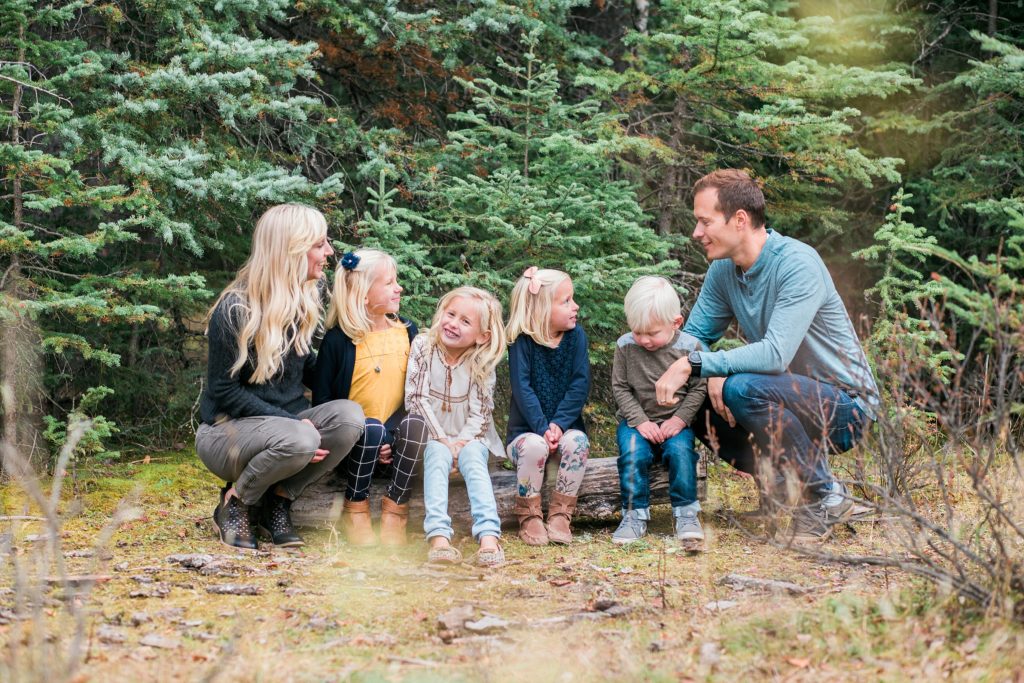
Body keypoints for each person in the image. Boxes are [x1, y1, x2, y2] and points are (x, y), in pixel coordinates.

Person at [656, 169, 880, 543]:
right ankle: (780, 489)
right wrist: (708, 372)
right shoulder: (723, 272)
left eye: (705, 221)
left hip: (846, 408)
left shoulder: (797, 263)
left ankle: (822, 495)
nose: (697, 233)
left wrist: (700, 365)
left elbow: (776, 353)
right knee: (694, 397)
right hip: (783, 397)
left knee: (740, 388)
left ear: (739, 219)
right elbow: (691, 341)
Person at [196, 204, 365, 550]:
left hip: (284, 426)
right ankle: (236, 503)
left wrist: (356, 349)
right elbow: (223, 391)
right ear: (292, 250)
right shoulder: (235, 309)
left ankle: (278, 500)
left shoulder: (301, 301)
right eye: (320, 245)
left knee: (350, 418)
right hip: (225, 434)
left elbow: (311, 372)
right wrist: (294, 424)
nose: (329, 252)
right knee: (300, 439)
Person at [311, 249, 429, 547]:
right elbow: (324, 405)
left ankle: (396, 508)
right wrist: (373, 439)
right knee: (372, 427)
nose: (398, 287)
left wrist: (391, 440)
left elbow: (416, 393)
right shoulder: (338, 341)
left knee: (417, 423)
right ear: (364, 294)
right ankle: (356, 507)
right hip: (355, 449)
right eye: (389, 282)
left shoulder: (407, 330)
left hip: (397, 451)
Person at [406, 287, 507, 567]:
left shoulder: (481, 361)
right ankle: (438, 536)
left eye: (465, 322)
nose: (453, 324)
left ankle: (489, 536)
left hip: (470, 437)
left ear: (482, 335)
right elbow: (416, 398)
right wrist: (442, 441)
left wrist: (460, 444)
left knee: (474, 456)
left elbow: (481, 413)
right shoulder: (424, 346)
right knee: (437, 453)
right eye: (450, 314)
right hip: (431, 432)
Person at [610, 276, 708, 545]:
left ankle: (686, 514)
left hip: (675, 423)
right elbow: (620, 388)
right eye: (637, 331)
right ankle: (633, 515)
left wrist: (679, 420)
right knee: (632, 454)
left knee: (680, 453)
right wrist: (640, 421)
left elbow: (699, 389)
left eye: (652, 333)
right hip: (636, 423)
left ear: (675, 323)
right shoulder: (625, 346)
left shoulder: (690, 348)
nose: (643, 339)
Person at [505, 267, 591, 546]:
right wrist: (542, 428)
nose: (575, 306)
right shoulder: (522, 341)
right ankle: (529, 514)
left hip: (563, 429)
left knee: (578, 442)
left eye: (573, 299)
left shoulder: (575, 336)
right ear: (542, 308)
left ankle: (561, 514)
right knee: (534, 446)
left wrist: (558, 425)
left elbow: (580, 383)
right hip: (525, 432)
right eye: (566, 301)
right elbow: (522, 389)